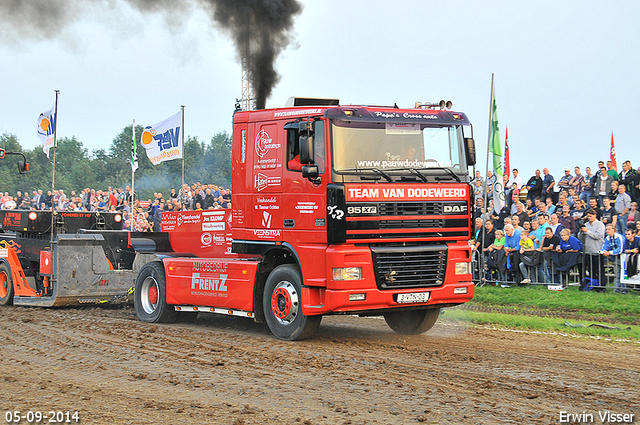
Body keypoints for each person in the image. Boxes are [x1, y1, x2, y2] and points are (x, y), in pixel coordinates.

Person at [579, 209, 605, 291]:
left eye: (591, 216)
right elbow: (580, 238)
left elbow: (598, 236)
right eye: (588, 216)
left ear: (595, 215)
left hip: (597, 250)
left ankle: (601, 286)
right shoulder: (586, 224)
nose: (589, 218)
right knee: (590, 270)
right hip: (587, 251)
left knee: (599, 270)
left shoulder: (600, 225)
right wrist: (581, 232)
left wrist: (587, 231)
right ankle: (593, 285)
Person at [601, 224, 625, 294]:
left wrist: (610, 252)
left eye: (609, 229)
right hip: (614, 258)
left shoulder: (619, 237)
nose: (607, 231)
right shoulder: (607, 238)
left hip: (622, 257)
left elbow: (620, 249)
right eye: (606, 229)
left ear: (613, 229)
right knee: (617, 274)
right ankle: (616, 290)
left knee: (623, 274)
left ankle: (624, 290)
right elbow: (605, 246)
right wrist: (603, 251)